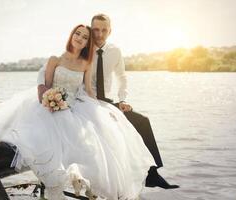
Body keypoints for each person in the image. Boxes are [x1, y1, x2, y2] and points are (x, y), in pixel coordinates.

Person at [0, 24, 157, 200]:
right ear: (71, 36)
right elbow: (46, 85)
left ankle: (81, 178)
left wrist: (107, 107)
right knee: (45, 138)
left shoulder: (86, 64)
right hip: (49, 104)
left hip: (72, 105)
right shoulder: (55, 59)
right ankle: (58, 185)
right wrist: (50, 99)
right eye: (77, 34)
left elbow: (88, 90)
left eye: (85, 37)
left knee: (92, 137)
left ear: (87, 43)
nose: (80, 38)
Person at [38, 14, 179, 190]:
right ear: (91, 30)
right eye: (95, 29)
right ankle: (107, 181)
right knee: (109, 128)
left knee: (141, 121)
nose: (99, 34)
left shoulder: (115, 51)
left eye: (104, 30)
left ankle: (153, 174)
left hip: (108, 101)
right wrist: (43, 90)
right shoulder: (82, 50)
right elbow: (51, 70)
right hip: (87, 100)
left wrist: (123, 100)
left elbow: (122, 77)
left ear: (110, 31)